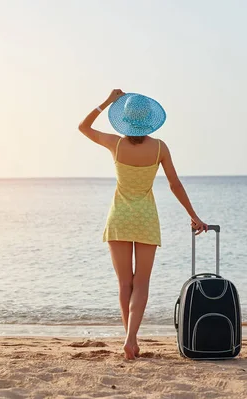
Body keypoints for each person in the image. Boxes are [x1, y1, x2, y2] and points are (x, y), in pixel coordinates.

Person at [78, 89, 209, 360]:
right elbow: (175, 184)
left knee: (124, 284)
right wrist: (193, 215)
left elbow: (83, 127)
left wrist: (107, 101)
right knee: (142, 283)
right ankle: (130, 340)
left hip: (119, 218)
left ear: (124, 120)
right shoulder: (160, 147)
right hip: (146, 219)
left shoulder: (115, 144)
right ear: (149, 120)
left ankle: (131, 340)